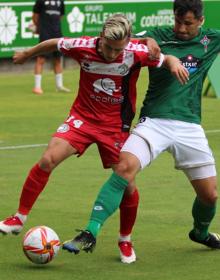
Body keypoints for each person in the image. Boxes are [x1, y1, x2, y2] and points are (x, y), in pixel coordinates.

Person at [0, 14, 188, 264]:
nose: (112, 54)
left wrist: (174, 63)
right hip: (82, 119)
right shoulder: (84, 47)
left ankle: (125, 239)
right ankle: (18, 218)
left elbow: (165, 59)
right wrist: (27, 54)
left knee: (128, 185)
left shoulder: (134, 52)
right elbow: (53, 43)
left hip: (114, 127)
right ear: (100, 38)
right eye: (108, 48)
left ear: (128, 42)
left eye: (117, 49)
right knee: (47, 159)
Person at [63, 0, 220, 260]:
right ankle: (90, 231)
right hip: (154, 121)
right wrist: (145, 42)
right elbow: (121, 40)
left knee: (210, 195)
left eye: (188, 24)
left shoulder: (212, 39)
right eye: (178, 21)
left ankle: (201, 233)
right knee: (124, 168)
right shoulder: (157, 35)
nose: (181, 28)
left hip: (190, 125)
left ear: (201, 21)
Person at [32, 0, 70, 94]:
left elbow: (60, 16)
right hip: (45, 33)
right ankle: (37, 87)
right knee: (41, 59)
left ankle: (59, 86)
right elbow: (35, 16)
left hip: (57, 33)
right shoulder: (40, 1)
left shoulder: (60, 2)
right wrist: (39, 28)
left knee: (58, 59)